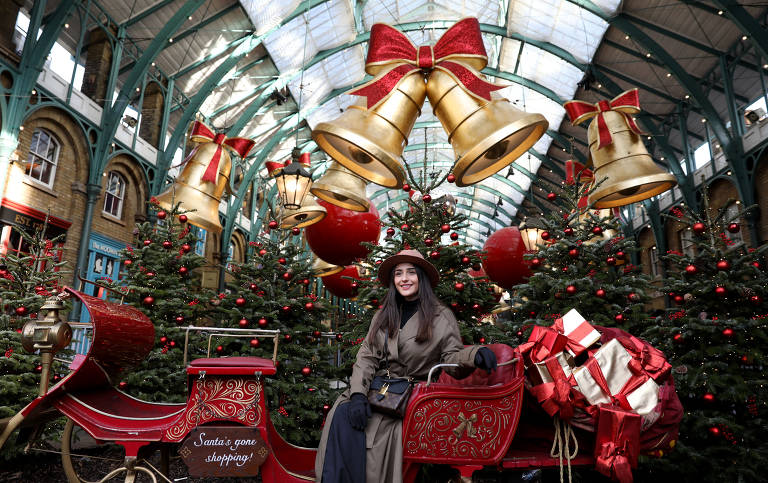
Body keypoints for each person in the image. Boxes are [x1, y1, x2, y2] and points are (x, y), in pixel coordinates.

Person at [315, 249, 498, 482]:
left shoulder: (440, 316)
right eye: (398, 273)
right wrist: (358, 395)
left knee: (375, 431)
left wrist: (474, 354)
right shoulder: (385, 314)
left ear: (421, 277)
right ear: (393, 280)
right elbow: (367, 357)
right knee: (342, 412)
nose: (404, 279)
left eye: (411, 272)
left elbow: (452, 358)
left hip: (407, 398)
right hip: (377, 389)